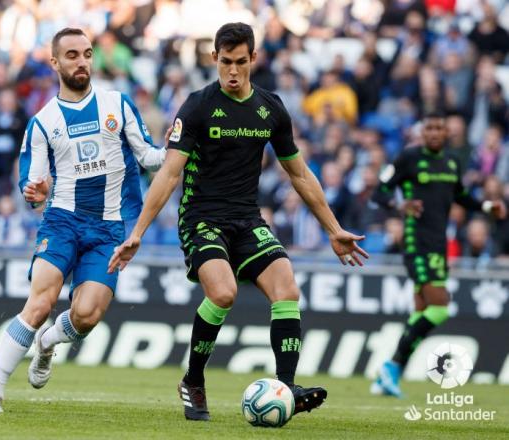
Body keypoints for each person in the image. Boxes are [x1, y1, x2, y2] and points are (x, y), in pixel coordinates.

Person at [108, 22, 368, 421]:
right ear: (214, 58)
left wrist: (334, 229)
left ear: (253, 60)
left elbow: (299, 173)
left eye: (240, 62)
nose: (232, 71)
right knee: (224, 293)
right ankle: (193, 379)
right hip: (201, 219)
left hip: (247, 219)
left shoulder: (271, 108)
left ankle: (286, 387)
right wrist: (138, 232)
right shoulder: (197, 106)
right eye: (225, 62)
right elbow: (169, 173)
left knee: (287, 289)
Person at [0, 27, 166, 413]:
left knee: (86, 315)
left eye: (87, 54)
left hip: (109, 228)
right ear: (55, 63)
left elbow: (149, 158)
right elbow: (33, 186)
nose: (82, 62)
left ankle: (47, 344)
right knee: (40, 302)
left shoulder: (118, 104)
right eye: (73, 55)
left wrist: (182, 147)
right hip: (62, 221)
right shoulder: (43, 123)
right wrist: (36, 194)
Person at [370, 112, 506, 398]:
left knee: (421, 311)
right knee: (440, 307)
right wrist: (400, 204)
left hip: (439, 246)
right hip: (416, 242)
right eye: (428, 128)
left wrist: (485, 207)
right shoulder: (407, 158)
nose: (433, 133)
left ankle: (387, 377)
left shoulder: (452, 161)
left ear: (446, 133)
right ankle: (391, 366)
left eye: (438, 129)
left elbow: (461, 195)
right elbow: (379, 193)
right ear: (422, 131)